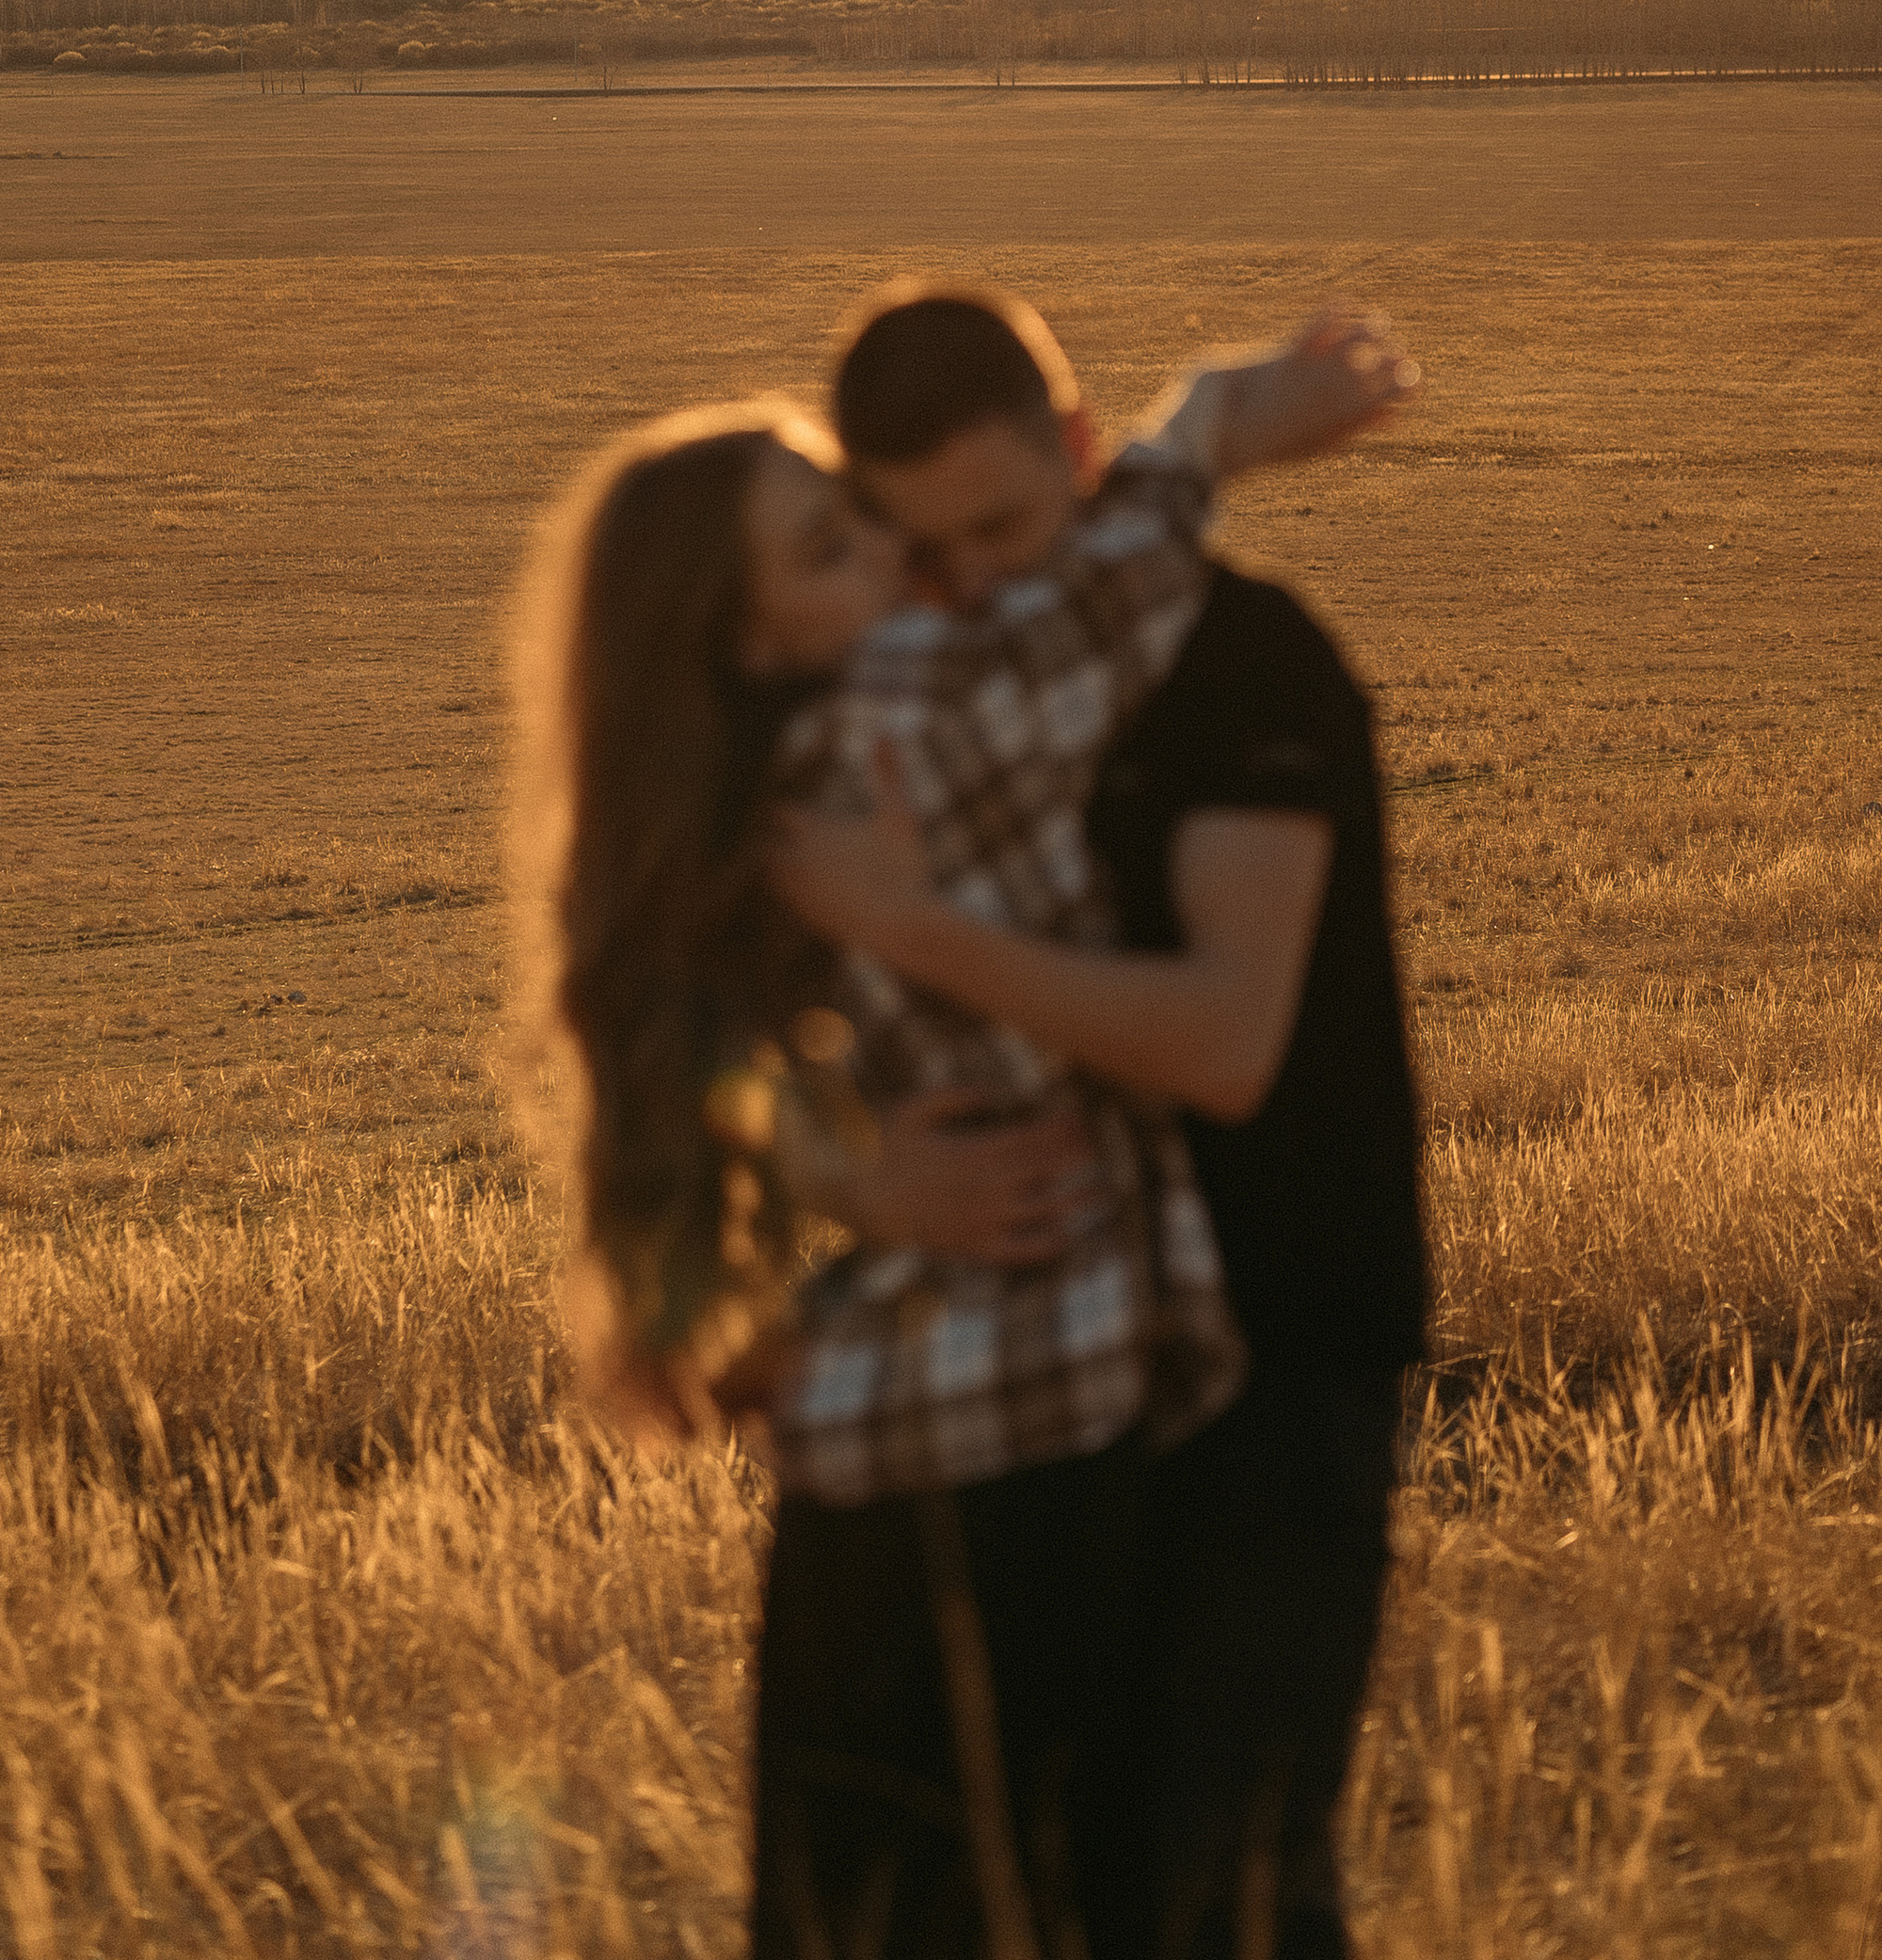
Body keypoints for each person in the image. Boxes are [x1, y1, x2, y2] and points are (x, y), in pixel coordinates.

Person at [507, 309, 1410, 1960]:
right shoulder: (911, 708)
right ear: (748, 625)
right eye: (849, 541)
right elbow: (1103, 581)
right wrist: (1206, 423)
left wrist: (843, 1174)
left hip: (870, 1433)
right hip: (1029, 1425)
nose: (924, 577)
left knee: (868, 1911)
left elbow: (670, 1054)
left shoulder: (736, 786)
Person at [776, 288, 1427, 1960]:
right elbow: (725, 1053)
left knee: (1229, 1894)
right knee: (1070, 1892)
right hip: (1056, 1374)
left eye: (1004, 525)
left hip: (1283, 1350)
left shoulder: (1236, 658)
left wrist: (925, 929)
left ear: (1080, 453)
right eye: (926, 556)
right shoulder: (918, 693)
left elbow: (1223, 1043)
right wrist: (862, 1176)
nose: (977, 584)